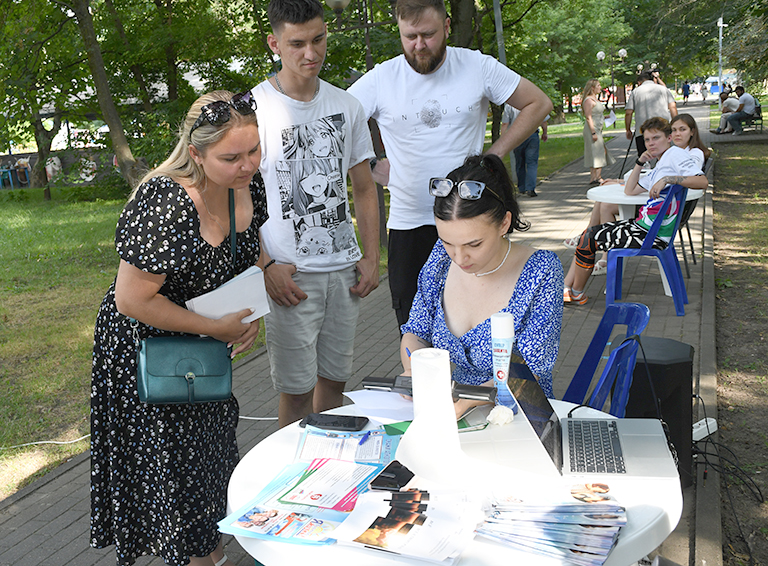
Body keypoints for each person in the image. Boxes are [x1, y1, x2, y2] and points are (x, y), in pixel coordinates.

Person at [90, 90, 267, 566]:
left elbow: (251, 252)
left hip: (201, 345)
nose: (248, 165)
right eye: (231, 157)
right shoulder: (164, 201)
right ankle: (199, 556)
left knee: (208, 467)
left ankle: (208, 553)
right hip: (146, 354)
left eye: (254, 150)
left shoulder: (251, 182)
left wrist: (246, 318)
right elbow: (132, 299)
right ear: (195, 153)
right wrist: (214, 328)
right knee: (174, 475)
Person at [348, 0, 552, 330]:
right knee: (414, 330)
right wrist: (370, 164)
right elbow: (336, 125)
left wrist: (493, 155)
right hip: (408, 225)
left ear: (445, 27)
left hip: (470, 224)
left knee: (476, 324)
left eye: (427, 34)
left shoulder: (477, 66)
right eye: (409, 36)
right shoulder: (381, 78)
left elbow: (538, 103)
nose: (419, 45)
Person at [251, 0, 380, 428]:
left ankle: (330, 472)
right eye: (297, 43)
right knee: (296, 394)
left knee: (334, 385)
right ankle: (294, 479)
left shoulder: (347, 106)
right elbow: (234, 201)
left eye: (319, 39)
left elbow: (363, 188)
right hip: (291, 275)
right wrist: (264, 265)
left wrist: (371, 257)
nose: (311, 53)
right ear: (274, 44)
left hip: (343, 271)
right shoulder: (253, 109)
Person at [399, 154, 563, 416]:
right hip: (455, 411)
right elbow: (416, 332)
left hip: (521, 417)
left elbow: (534, 369)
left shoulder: (541, 270)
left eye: (474, 244)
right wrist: (413, 370)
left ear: (504, 223)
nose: (459, 257)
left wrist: (468, 401)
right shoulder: (440, 259)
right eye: (447, 242)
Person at [563, 117, 707, 304]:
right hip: (645, 228)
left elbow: (702, 182)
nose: (651, 143)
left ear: (669, 138)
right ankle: (574, 291)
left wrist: (670, 179)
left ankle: (575, 292)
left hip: (651, 234)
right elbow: (629, 191)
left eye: (656, 138)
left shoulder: (674, 155)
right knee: (588, 236)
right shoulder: (659, 164)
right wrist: (639, 162)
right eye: (647, 140)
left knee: (588, 238)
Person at [624, 70, 678, 156]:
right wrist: (676, 125)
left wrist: (628, 129)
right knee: (665, 155)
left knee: (644, 156)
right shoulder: (663, 89)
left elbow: (629, 112)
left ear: (639, 82)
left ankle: (645, 166)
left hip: (642, 130)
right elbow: (672, 107)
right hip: (662, 127)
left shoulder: (636, 92)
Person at [501, 104, 549, 197]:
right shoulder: (535, 100)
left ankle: (522, 187)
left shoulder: (510, 104)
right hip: (532, 135)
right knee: (532, 163)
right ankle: (530, 188)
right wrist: (545, 133)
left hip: (516, 136)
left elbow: (505, 123)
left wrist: (503, 138)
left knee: (519, 162)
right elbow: (543, 121)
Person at [581, 79, 615, 187]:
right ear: (592, 87)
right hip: (593, 129)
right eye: (598, 85)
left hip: (598, 128)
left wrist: (607, 117)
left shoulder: (595, 99)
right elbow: (588, 117)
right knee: (599, 151)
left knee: (597, 151)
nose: (600, 87)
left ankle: (594, 177)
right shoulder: (588, 100)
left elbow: (596, 114)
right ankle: (597, 177)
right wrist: (593, 132)